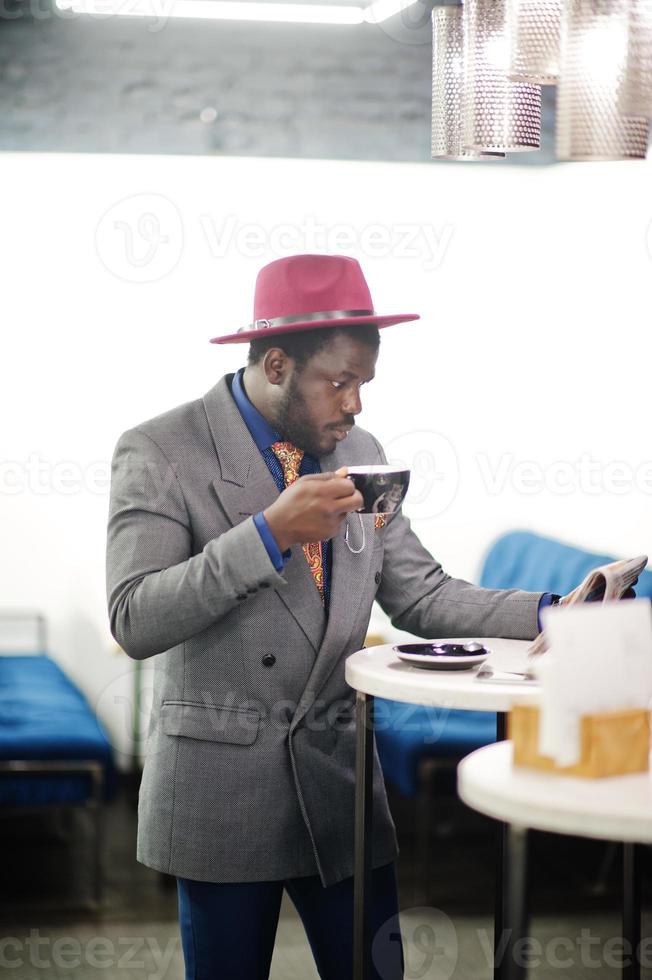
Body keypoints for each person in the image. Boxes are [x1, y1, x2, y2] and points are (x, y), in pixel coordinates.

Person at [104, 253, 605, 980]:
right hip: (222, 790)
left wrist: (557, 613)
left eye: (364, 384)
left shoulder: (361, 454)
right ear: (275, 365)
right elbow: (134, 619)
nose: (356, 407)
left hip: (340, 788)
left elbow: (421, 594)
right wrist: (268, 534)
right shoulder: (159, 450)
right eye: (339, 383)